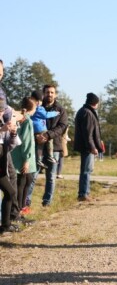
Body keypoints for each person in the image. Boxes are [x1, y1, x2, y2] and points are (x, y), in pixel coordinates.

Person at [27, 85, 68, 207]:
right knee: (33, 175)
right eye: (47, 92)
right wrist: (37, 136)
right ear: (44, 94)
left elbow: (62, 126)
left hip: (53, 146)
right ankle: (26, 202)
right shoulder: (37, 106)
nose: (49, 94)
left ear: (55, 94)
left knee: (50, 177)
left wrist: (48, 135)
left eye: (52, 92)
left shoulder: (60, 110)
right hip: (37, 144)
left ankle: (47, 202)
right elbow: (30, 120)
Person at [74, 93, 103, 202]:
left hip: (86, 146)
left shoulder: (84, 111)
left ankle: (86, 192)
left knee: (87, 170)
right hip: (87, 147)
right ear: (95, 103)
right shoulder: (88, 113)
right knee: (86, 170)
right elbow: (88, 133)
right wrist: (92, 146)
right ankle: (83, 194)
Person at [11, 97, 37, 218]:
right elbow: (27, 141)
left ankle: (20, 208)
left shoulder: (20, 119)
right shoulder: (27, 121)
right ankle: (19, 210)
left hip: (17, 155)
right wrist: (26, 159)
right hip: (23, 157)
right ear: (34, 107)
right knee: (22, 183)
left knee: (26, 180)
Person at [0, 104, 22, 234]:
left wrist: (13, 134)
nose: (2, 114)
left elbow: (11, 146)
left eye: (2, 111)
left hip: (1, 166)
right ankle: (5, 225)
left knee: (10, 192)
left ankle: (6, 225)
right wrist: (1, 130)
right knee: (10, 192)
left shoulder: (3, 123)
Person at [30, 90, 60, 169]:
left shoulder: (30, 108)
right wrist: (55, 113)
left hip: (35, 130)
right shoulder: (39, 108)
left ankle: (38, 159)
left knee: (40, 146)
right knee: (49, 140)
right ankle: (50, 156)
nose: (39, 102)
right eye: (38, 100)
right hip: (41, 129)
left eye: (40, 101)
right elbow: (46, 115)